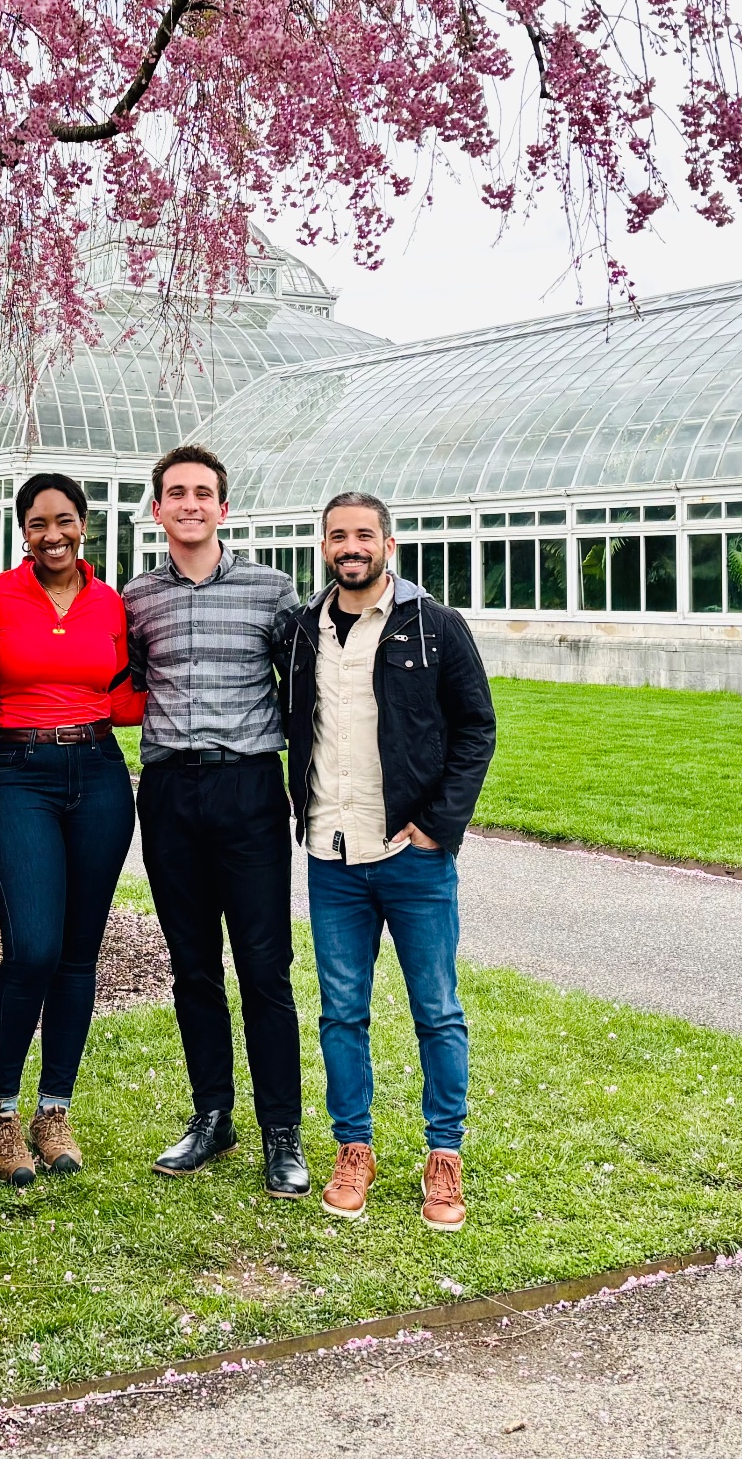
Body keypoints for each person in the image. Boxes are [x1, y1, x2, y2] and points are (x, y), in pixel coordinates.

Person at [278, 491, 497, 1229]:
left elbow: (477, 729)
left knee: (437, 1012)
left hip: (412, 857)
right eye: (337, 535)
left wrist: (439, 825)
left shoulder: (434, 625)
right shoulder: (303, 630)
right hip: (331, 857)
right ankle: (353, 1148)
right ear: (324, 546)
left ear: (388, 545)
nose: (351, 546)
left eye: (363, 535)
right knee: (342, 1012)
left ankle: (444, 1156)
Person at [123, 444, 309, 1199]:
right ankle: (212, 1116)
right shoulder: (136, 599)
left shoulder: (273, 592)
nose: (190, 504)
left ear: (223, 509)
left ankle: (283, 1134)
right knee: (192, 967)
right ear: (159, 509)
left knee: (265, 970)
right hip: (169, 794)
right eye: (177, 493)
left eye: (204, 493)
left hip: (250, 792)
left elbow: (308, 686)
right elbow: (125, 683)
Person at [0, 472, 147, 1186]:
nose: (54, 534)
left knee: (79, 953)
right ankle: (3, 1115)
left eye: (66, 520)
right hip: (18, 774)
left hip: (101, 773)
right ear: (24, 531)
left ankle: (55, 1111)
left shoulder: (112, 602)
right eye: (39, 522)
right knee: (34, 947)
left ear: (84, 525)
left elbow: (131, 689)